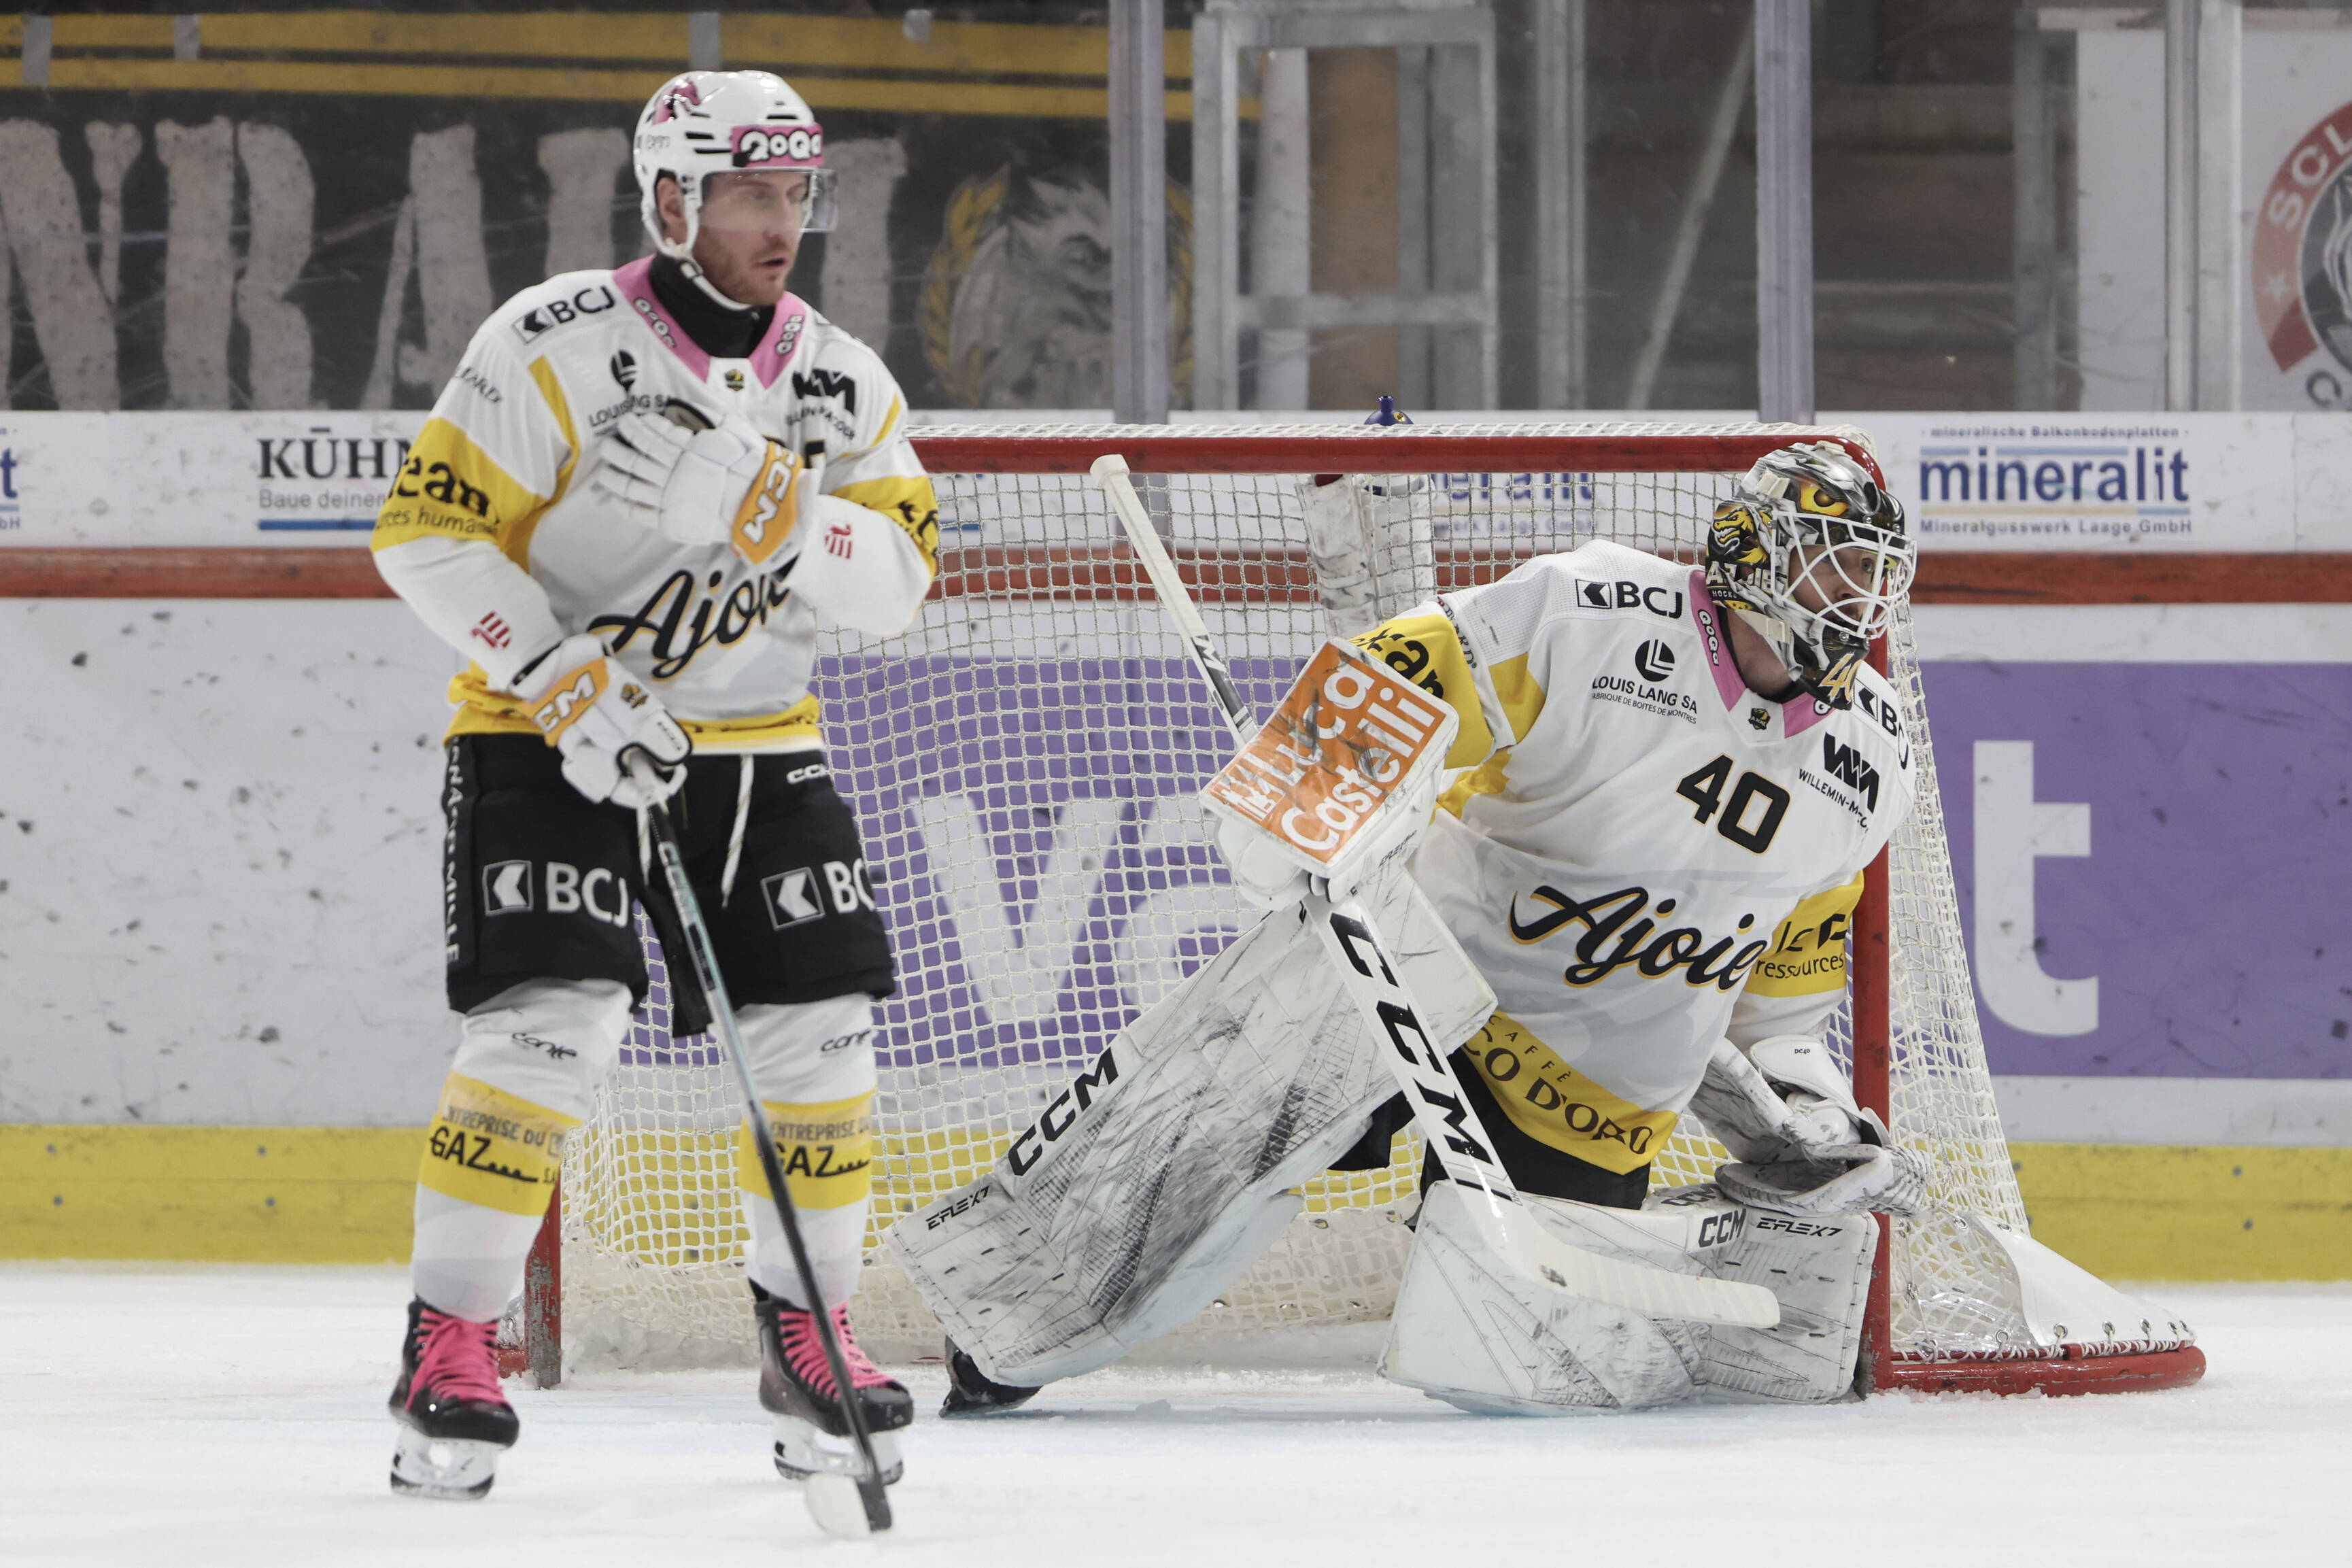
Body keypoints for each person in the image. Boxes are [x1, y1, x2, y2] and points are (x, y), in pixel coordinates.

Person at [891, 439, 1929, 1415]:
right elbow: (1406, 662)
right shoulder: (1596, 611)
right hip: (1415, 969)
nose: (1859, 596)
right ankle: (1013, 1329)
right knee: (1205, 1151)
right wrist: (1300, 789)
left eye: (1873, 573)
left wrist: (1807, 1099)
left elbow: (1784, 984)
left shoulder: (1872, 758)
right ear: (1752, 553)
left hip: (1591, 1090)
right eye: (1835, 565)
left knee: (1528, 1367)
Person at [371, 69, 937, 1499]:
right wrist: (559, 673)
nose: (781, 224)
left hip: (759, 744)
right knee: (547, 1027)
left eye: (797, 193)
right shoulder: (549, 343)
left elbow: (895, 587)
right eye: (749, 194)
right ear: (670, 199)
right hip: (541, 733)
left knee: (821, 1037)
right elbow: (423, 533)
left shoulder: (841, 379)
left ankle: (809, 1333)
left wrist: (773, 512)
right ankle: (452, 1339)